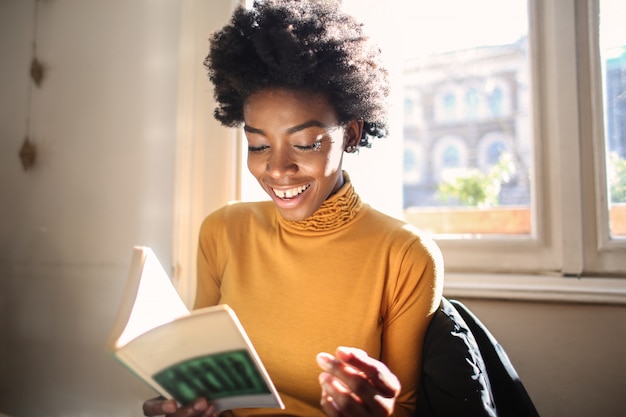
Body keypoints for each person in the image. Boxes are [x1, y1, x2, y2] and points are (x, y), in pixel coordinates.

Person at [143, 1, 443, 416]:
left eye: (304, 144)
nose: (277, 168)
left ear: (351, 134)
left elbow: (404, 408)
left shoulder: (404, 254)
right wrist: (172, 407)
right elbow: (200, 378)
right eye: (258, 145)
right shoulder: (223, 231)